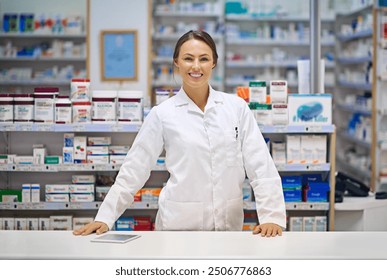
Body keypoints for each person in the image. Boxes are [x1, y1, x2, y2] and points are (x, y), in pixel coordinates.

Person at [73, 30, 286, 237]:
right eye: (188, 58)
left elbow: (260, 164)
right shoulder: (163, 114)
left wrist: (272, 217)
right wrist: (105, 217)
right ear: (177, 62)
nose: (196, 66)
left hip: (228, 227)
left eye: (203, 59)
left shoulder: (236, 107)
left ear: (213, 62)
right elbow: (135, 168)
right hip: (178, 227)